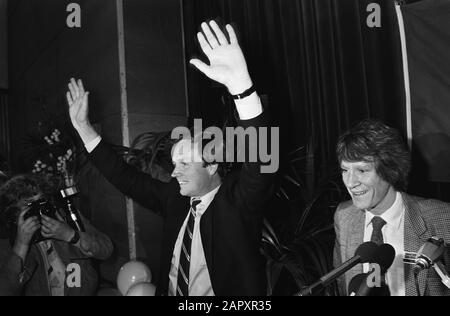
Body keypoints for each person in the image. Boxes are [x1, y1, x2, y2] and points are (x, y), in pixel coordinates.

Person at [65, 21, 274, 296]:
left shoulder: (238, 202)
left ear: (212, 165)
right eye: (175, 164)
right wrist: (84, 130)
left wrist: (242, 89)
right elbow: (125, 177)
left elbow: (261, 160)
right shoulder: (175, 198)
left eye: (185, 163)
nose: (174, 172)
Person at [333, 119, 450, 296]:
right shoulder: (344, 217)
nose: (350, 182)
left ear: (390, 170)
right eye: (345, 170)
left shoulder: (441, 217)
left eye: (362, 171)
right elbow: (343, 285)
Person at [0, 174, 113, 296]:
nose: (40, 211)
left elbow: (107, 249)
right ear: (15, 214)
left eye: (42, 202)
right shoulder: (9, 242)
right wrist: (21, 245)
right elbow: (6, 290)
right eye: (31, 206)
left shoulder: (64, 216)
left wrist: (70, 235)